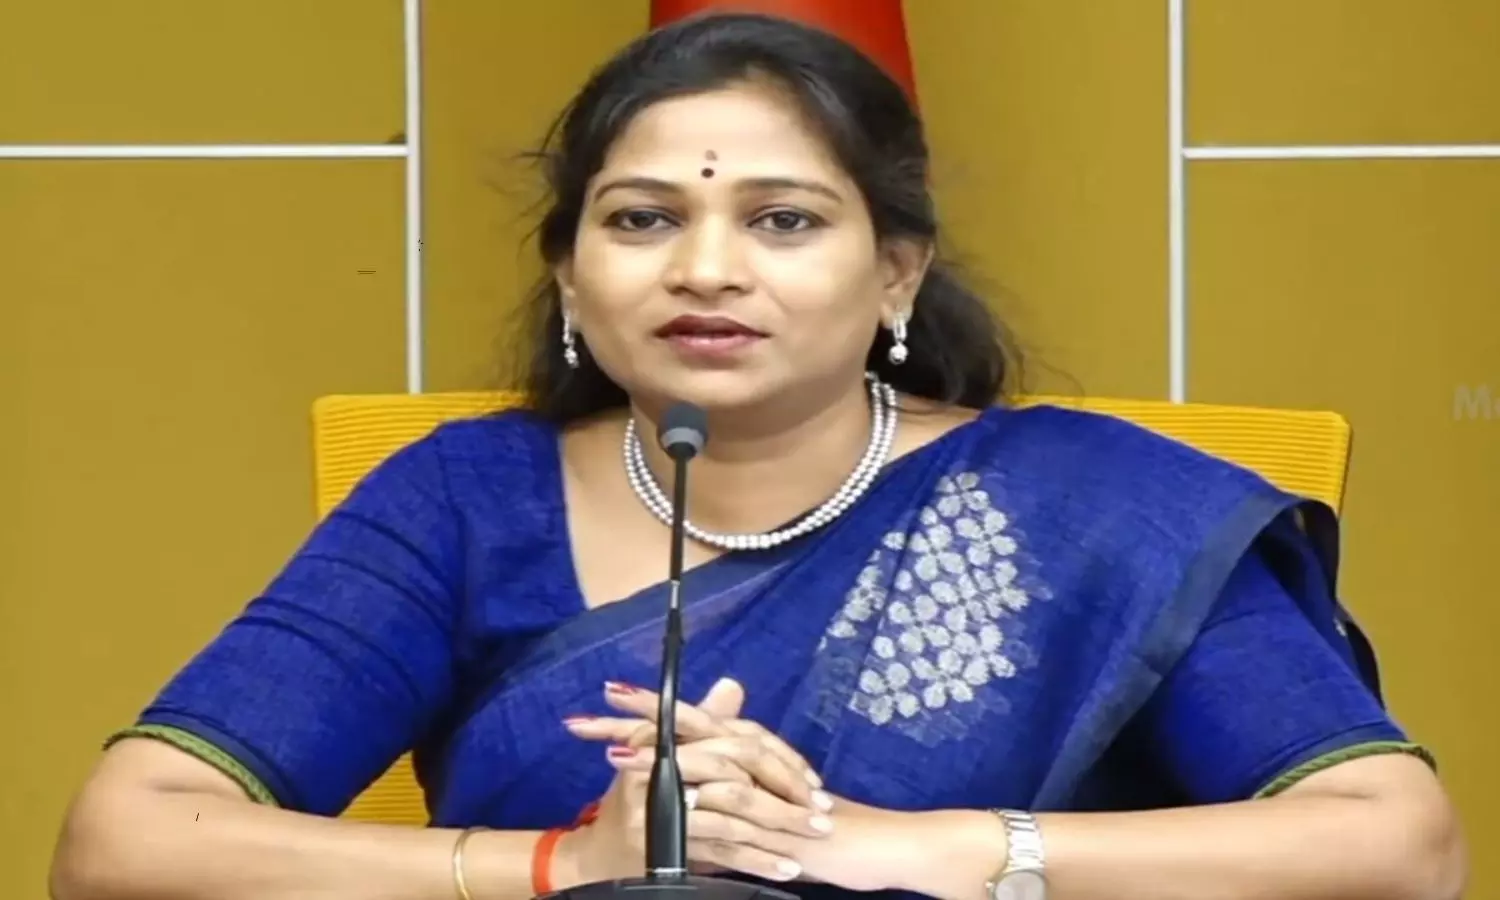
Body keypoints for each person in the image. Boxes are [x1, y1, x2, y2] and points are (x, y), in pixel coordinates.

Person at [49, 11, 1465, 900]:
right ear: (569, 275)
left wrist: (915, 847)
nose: (707, 268)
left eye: (784, 221)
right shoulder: (460, 497)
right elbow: (131, 842)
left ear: (897, 273)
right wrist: (558, 864)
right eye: (642, 219)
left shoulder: (1095, 506)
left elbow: (1390, 842)